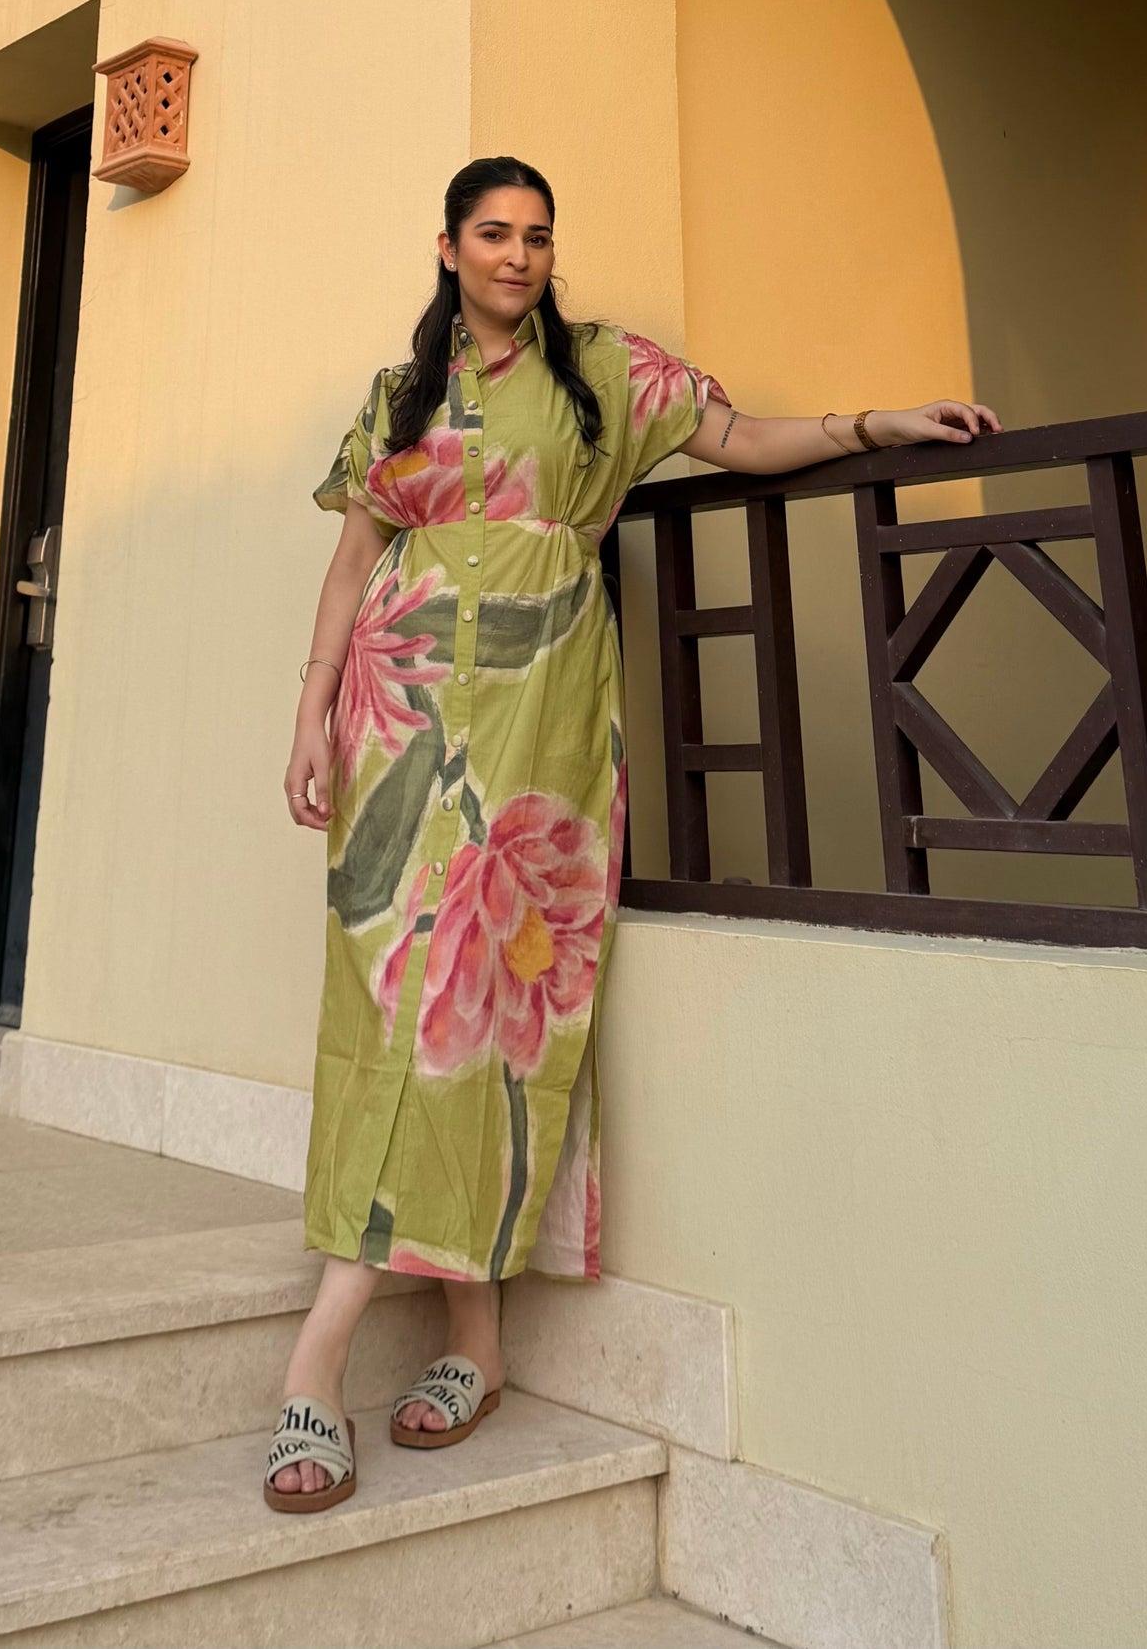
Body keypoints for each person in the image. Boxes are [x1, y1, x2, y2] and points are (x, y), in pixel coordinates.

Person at [263, 156, 997, 1509]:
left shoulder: (603, 373)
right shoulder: (402, 394)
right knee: (390, 1002)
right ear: (448, 246)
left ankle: (401, 1346)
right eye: (493, 233)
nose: (517, 255)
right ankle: (400, 1345)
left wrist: (876, 424)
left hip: (539, 719)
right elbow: (355, 558)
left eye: (537, 236)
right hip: (398, 711)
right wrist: (311, 712)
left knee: (492, 1004)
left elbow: (743, 439)